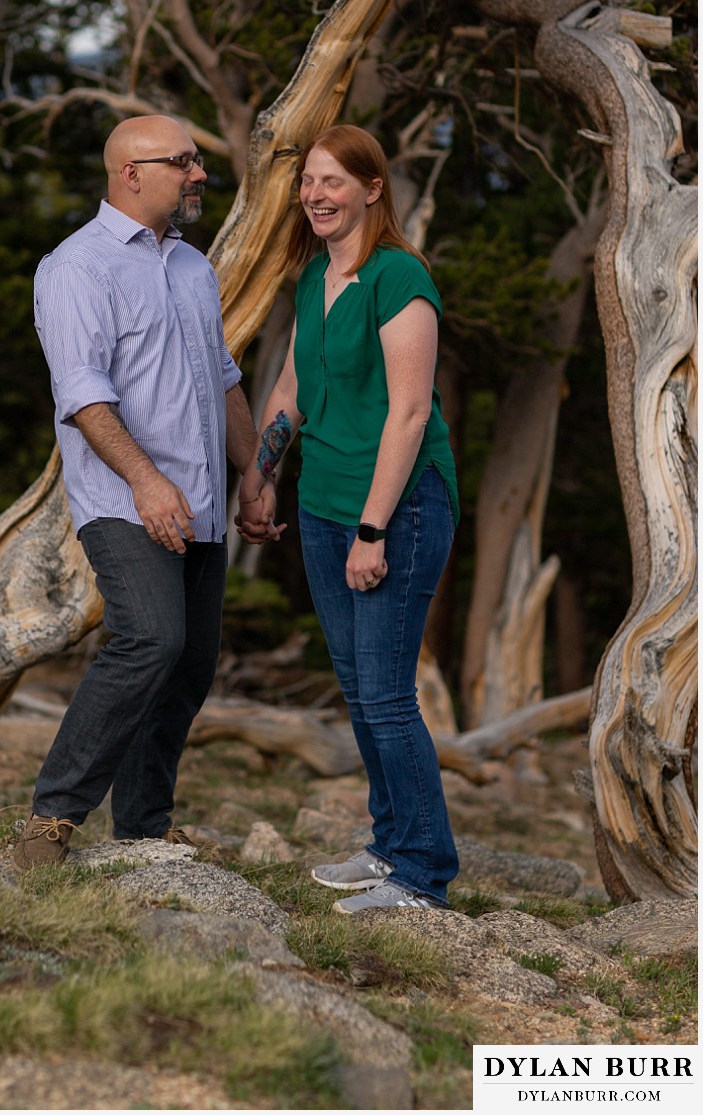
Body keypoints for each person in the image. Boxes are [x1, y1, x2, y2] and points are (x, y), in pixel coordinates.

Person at [14, 114, 259, 870]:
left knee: (188, 665)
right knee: (151, 636)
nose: (198, 174)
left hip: (205, 503)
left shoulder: (191, 266)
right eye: (182, 161)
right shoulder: (75, 268)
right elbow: (84, 396)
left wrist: (254, 475)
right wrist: (147, 480)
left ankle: (144, 827)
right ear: (130, 173)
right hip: (126, 501)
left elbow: (223, 378)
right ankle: (50, 824)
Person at [237, 124, 460, 911]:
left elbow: (407, 414)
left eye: (332, 181)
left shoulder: (399, 278)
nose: (315, 195)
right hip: (324, 503)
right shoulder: (314, 277)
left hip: (395, 509)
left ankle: (423, 874)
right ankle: (390, 843)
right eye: (307, 183)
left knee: (390, 693)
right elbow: (293, 391)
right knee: (360, 690)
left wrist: (372, 531)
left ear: (372, 188)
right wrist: (259, 480)